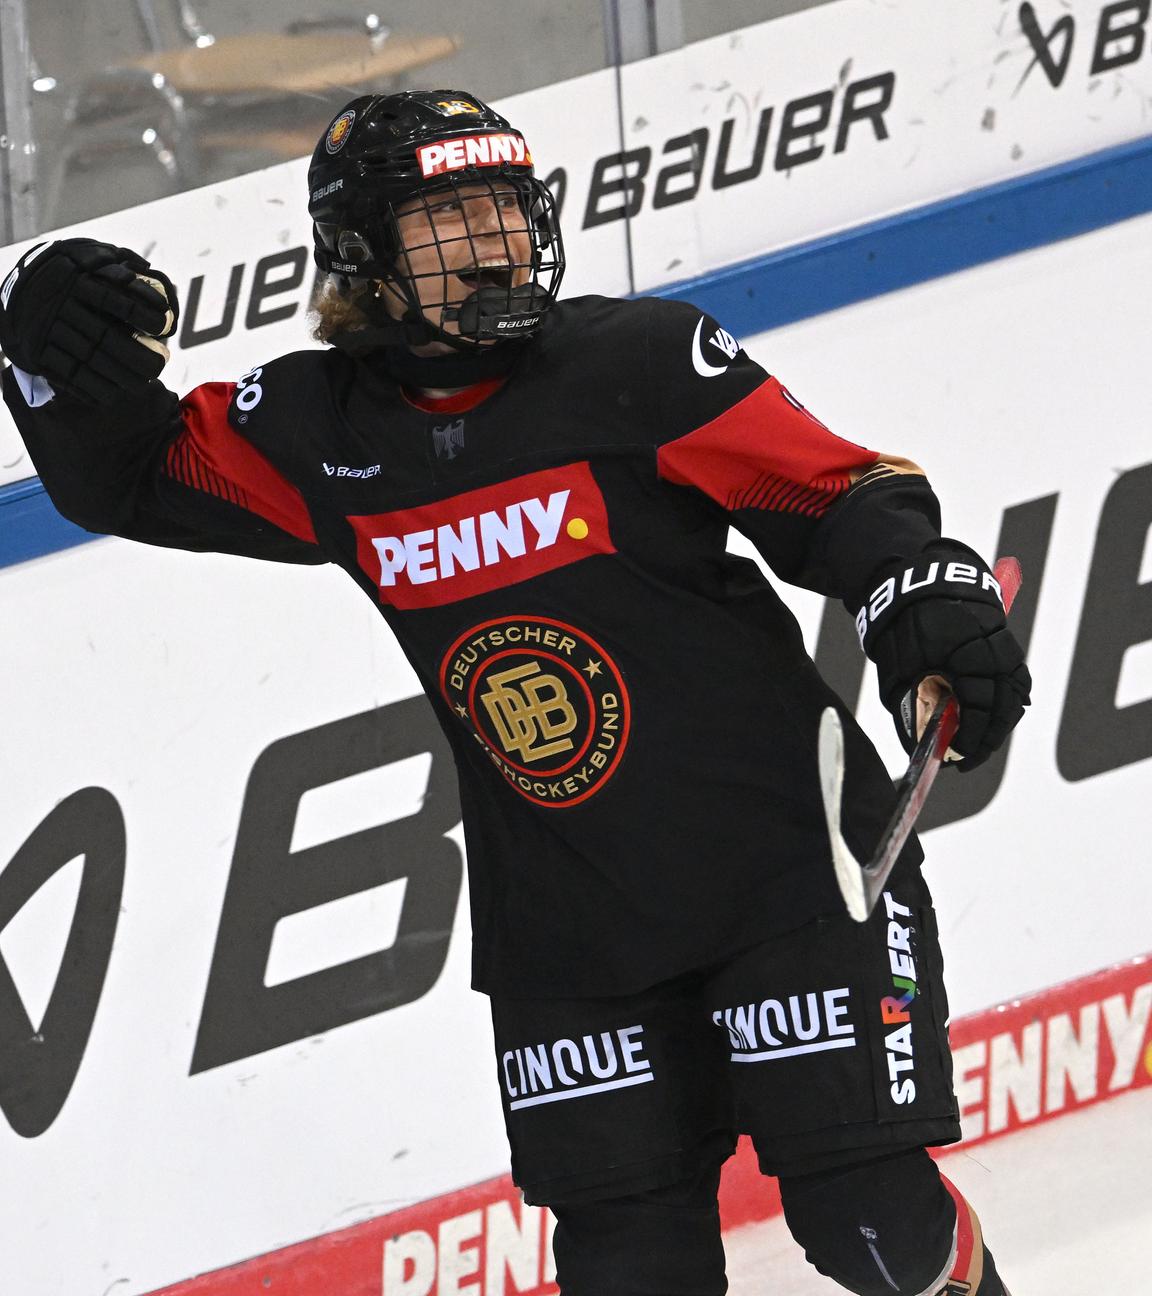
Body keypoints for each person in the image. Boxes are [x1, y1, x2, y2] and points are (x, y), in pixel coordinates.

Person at [0, 91, 1029, 1295]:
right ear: (363, 255)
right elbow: (129, 476)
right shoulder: (319, 436)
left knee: (871, 1223)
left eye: (505, 205)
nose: (493, 239)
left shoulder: (638, 366)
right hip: (567, 928)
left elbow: (845, 498)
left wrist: (923, 597)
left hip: (791, 873)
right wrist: (36, 341)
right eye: (449, 216)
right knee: (627, 1270)